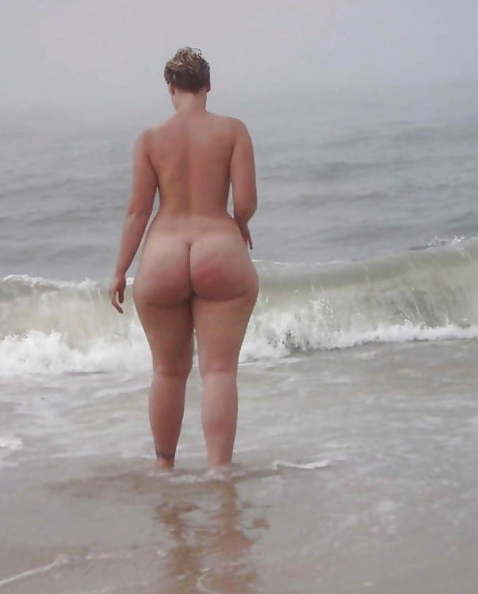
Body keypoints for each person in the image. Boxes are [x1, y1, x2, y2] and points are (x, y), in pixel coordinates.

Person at [108, 47, 259, 471]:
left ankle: (164, 469)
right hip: (218, 245)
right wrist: (240, 224)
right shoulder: (233, 131)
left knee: (168, 372)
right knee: (219, 372)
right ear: (208, 85)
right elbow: (245, 201)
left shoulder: (150, 139)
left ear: (170, 87)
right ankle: (218, 473)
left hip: (164, 252)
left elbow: (137, 211)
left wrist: (120, 270)